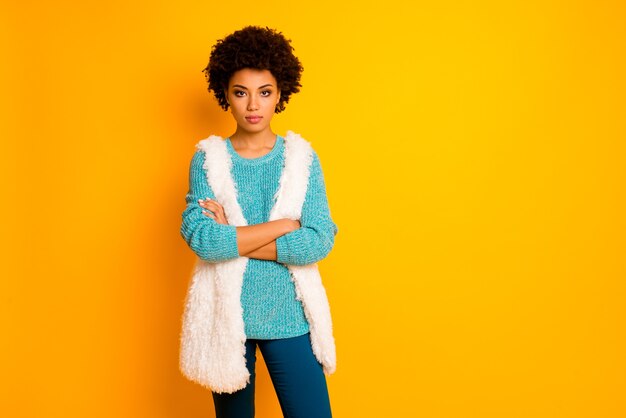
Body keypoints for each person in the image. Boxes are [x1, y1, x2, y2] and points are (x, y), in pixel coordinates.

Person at [179, 25, 339, 418]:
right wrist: (285, 226)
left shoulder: (300, 159)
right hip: (227, 320)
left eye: (264, 92)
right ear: (226, 97)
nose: (253, 105)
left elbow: (319, 240)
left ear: (280, 94)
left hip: (289, 316)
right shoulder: (209, 159)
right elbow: (204, 241)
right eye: (241, 92)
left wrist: (233, 236)